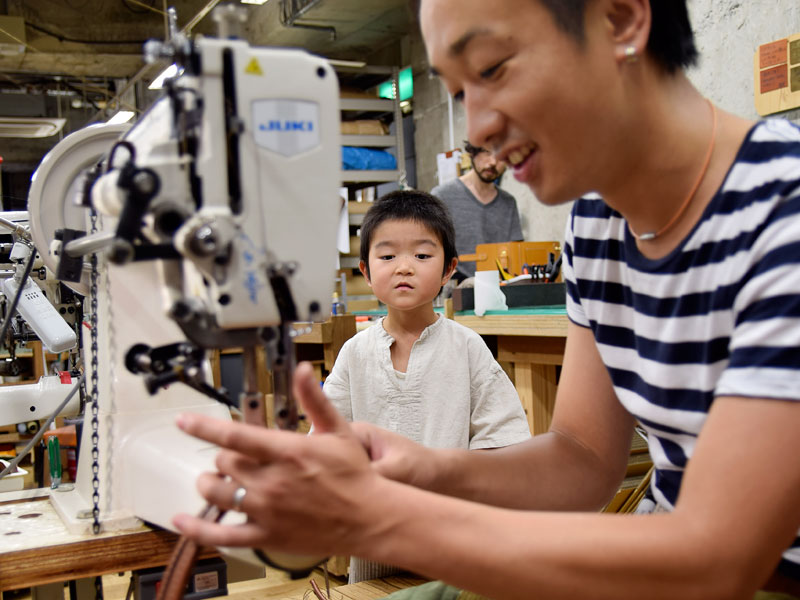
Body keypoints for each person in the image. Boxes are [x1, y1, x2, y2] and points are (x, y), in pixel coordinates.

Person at [172, 1, 800, 598]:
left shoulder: (784, 214)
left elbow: (718, 558)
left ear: (621, 19)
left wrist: (384, 518)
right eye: (458, 91)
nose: (478, 128)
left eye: (493, 69)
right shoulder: (600, 223)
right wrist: (424, 470)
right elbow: (582, 459)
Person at [322, 189, 531, 581]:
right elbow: (326, 441)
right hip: (375, 542)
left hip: (454, 541)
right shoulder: (354, 353)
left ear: (449, 269)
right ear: (366, 271)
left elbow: (504, 445)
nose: (404, 267)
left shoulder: (467, 347)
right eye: (387, 256)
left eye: (421, 255)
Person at [431, 141, 523, 282]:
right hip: (456, 287)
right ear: (472, 154)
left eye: (501, 156)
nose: (492, 162)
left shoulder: (508, 203)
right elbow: (430, 248)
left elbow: (517, 253)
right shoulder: (442, 196)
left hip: (500, 289)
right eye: (486, 152)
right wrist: (458, 279)